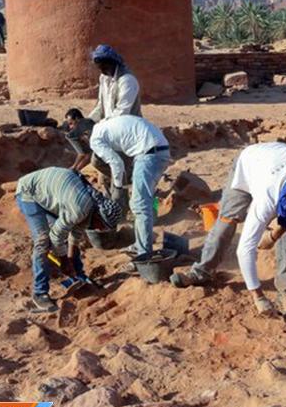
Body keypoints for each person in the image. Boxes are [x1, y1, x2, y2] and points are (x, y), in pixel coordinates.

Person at [170, 142, 286, 318]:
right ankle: (202, 271)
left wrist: (274, 235)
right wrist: (258, 296)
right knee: (227, 220)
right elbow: (244, 249)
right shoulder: (266, 198)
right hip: (248, 165)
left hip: (278, 162)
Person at [15, 167, 122, 312]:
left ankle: (80, 276)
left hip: (51, 190)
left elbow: (75, 234)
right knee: (43, 240)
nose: (99, 230)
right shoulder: (80, 209)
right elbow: (56, 236)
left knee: (63, 240)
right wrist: (65, 261)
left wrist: (71, 259)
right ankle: (40, 293)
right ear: (98, 216)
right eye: (102, 226)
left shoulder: (92, 206)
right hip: (29, 192)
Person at [89, 115, 170, 261]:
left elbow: (117, 163)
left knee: (139, 205)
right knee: (145, 199)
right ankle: (141, 242)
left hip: (149, 153)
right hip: (158, 149)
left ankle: (144, 254)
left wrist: (119, 188)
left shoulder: (95, 139)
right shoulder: (104, 125)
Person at [87, 44, 142, 191]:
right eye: (99, 67)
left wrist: (99, 127)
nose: (102, 71)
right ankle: (116, 200)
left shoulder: (127, 80)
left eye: (104, 67)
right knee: (104, 172)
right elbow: (101, 106)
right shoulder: (104, 78)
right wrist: (88, 121)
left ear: (113, 63)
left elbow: (122, 113)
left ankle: (126, 191)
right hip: (110, 131)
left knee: (112, 169)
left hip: (126, 133)